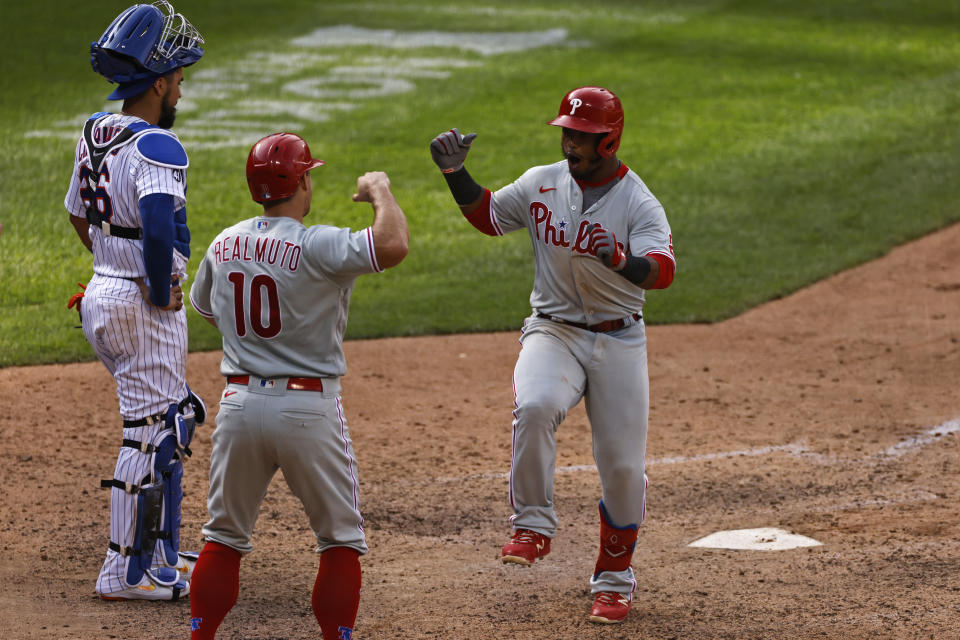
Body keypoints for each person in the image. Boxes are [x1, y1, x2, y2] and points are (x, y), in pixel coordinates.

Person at [430, 86, 676, 624]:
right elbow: (490, 216)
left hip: (618, 340)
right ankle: (533, 526)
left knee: (623, 471)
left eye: (581, 136)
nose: (569, 143)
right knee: (536, 404)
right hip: (553, 331)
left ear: (608, 141)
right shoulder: (542, 181)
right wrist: (456, 176)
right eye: (567, 132)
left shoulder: (638, 201)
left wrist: (623, 260)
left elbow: (663, 270)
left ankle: (614, 581)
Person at [187, 132, 409, 640]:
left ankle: (200, 636)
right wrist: (379, 190)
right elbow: (392, 243)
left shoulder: (224, 243)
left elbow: (207, 310)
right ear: (302, 181)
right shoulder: (319, 244)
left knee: (222, 537)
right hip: (308, 408)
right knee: (339, 541)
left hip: (239, 405)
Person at [63, 1, 207, 601]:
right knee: (150, 433)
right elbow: (154, 224)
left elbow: (77, 212)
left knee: (170, 424)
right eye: (176, 77)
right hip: (140, 306)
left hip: (104, 292)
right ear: (157, 83)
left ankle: (163, 551)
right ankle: (127, 571)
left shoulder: (97, 132)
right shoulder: (159, 148)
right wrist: (150, 285)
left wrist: (108, 267)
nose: (180, 87)